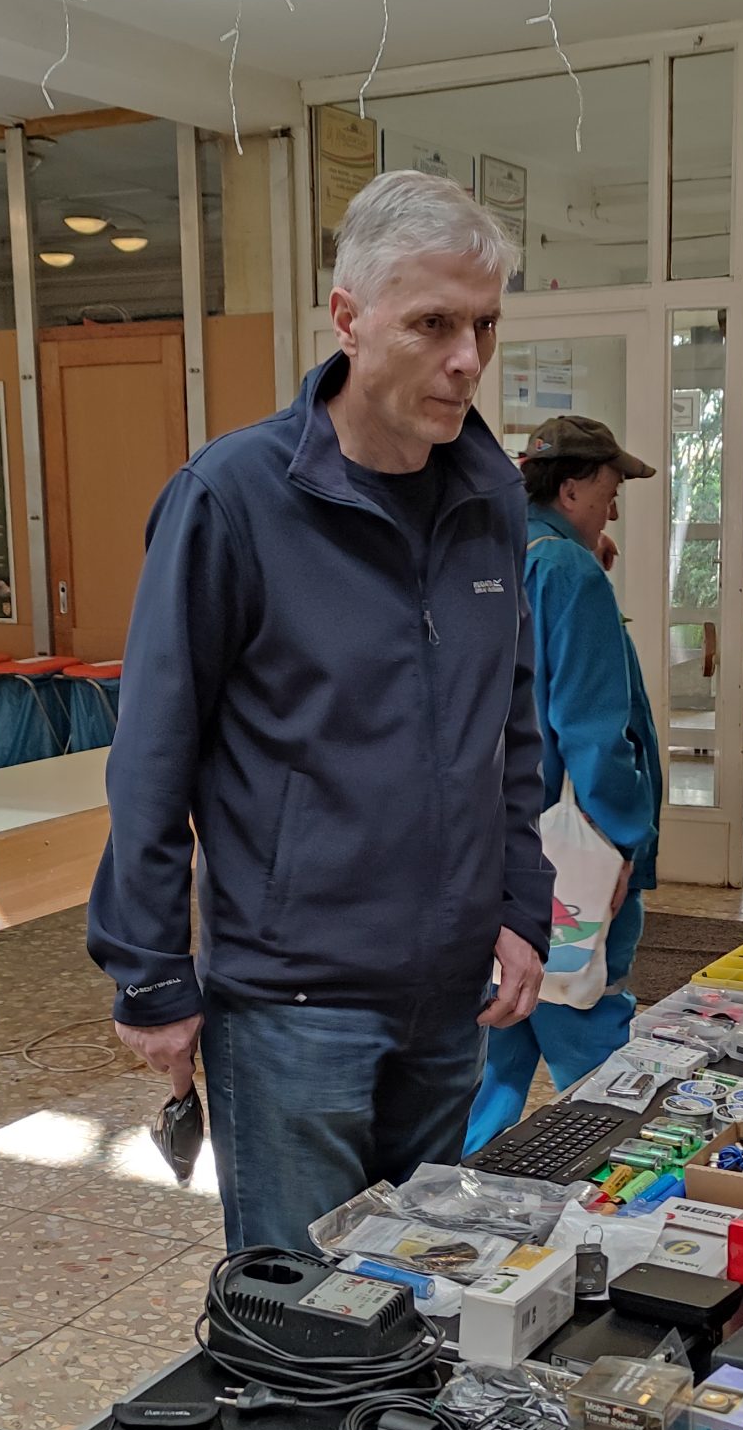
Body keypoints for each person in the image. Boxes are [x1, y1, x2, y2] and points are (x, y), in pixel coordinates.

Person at [88, 169, 554, 1252]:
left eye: (484, 325)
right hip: (293, 1004)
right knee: (298, 1304)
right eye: (433, 324)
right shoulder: (232, 498)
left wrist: (519, 902)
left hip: (450, 996)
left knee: (418, 1286)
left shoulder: (489, 498)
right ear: (348, 318)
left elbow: (511, 722)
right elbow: (153, 753)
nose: (467, 359)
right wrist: (150, 972)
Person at [465, 415, 665, 1150]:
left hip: (492, 841)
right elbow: (592, 732)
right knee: (591, 1038)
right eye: (610, 490)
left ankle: (455, 1181)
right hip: (569, 855)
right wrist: (623, 843)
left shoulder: (491, 555)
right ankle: (622, 1179)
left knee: (502, 1037)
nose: (613, 508)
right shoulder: (568, 573)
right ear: (573, 487)